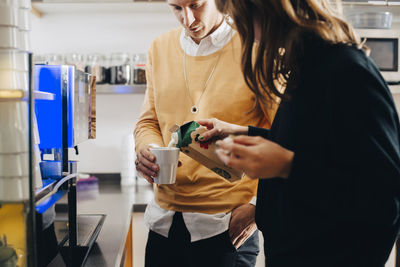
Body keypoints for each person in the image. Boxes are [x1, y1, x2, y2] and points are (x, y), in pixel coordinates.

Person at [198, 0, 400, 266]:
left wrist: (286, 165)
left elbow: (384, 198)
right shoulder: (308, 67)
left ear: (268, 11)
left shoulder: (346, 70)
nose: (245, 32)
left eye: (242, 20)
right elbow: (316, 147)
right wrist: (242, 133)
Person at [133, 0, 277, 266]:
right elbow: (148, 122)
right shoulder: (159, 48)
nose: (187, 19)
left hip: (226, 224)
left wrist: (258, 208)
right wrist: (147, 148)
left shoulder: (256, 49)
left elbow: (284, 137)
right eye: (176, 8)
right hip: (163, 222)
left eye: (196, 5)